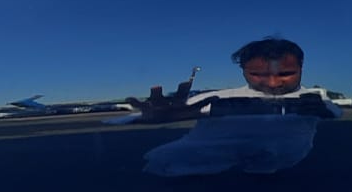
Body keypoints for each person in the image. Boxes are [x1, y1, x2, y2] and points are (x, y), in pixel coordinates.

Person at [137, 38, 340, 177]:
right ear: (243, 71)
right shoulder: (215, 98)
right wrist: (162, 116)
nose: (272, 83)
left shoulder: (314, 98)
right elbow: (168, 115)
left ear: (301, 68)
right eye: (258, 75)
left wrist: (318, 109)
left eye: (285, 73)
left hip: (285, 173)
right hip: (202, 171)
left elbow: (331, 113)